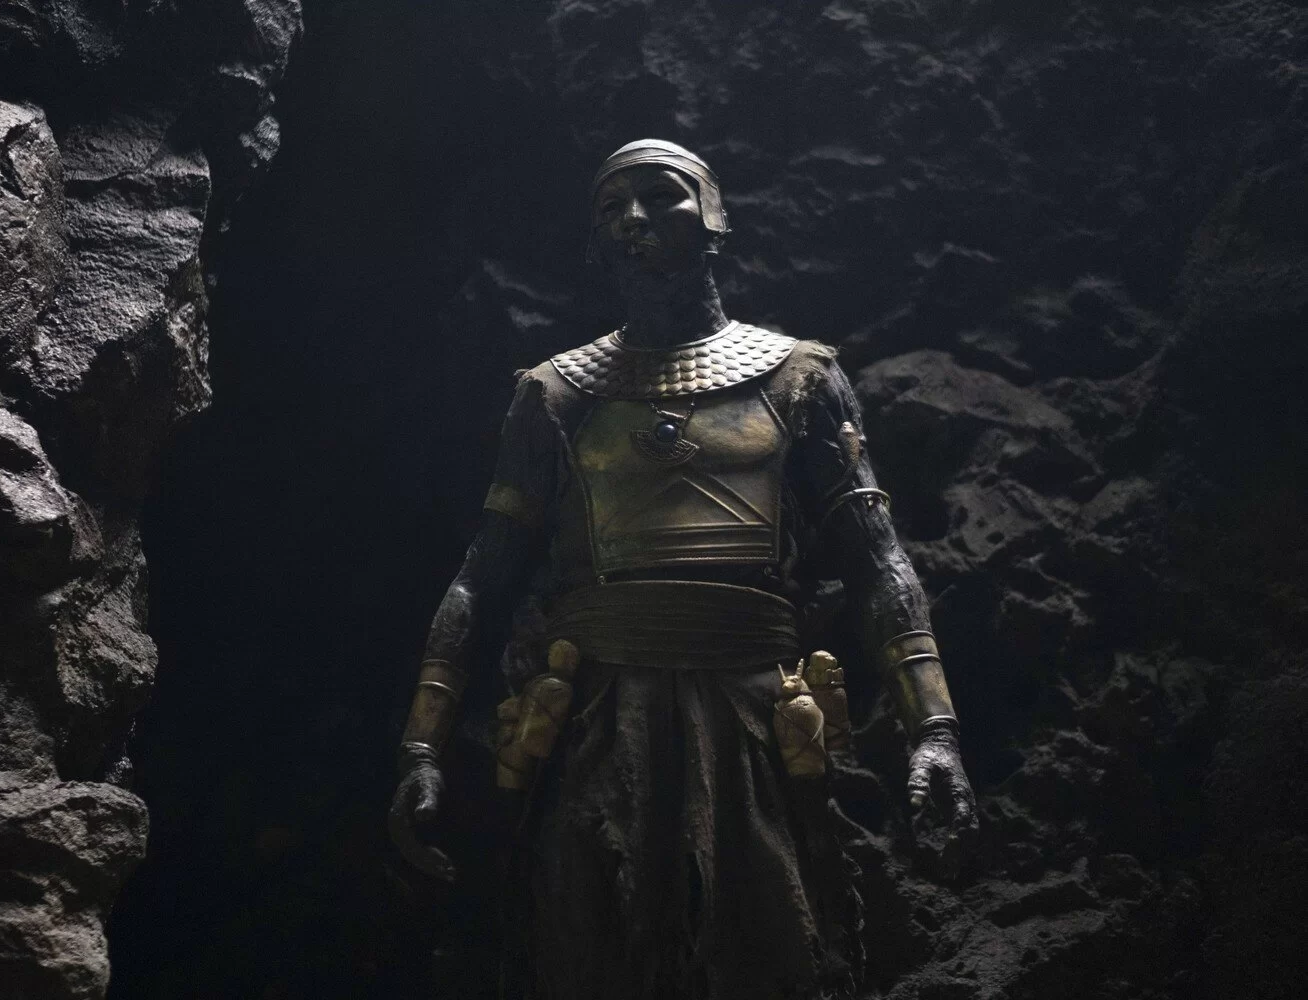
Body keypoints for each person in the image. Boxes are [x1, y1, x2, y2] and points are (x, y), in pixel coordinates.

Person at [389, 139, 975, 999]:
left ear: (713, 216)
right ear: (594, 241)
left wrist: (936, 732)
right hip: (598, 717)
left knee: (774, 950)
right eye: (610, 207)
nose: (633, 218)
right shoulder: (554, 396)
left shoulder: (800, 379)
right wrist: (422, 747)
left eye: (661, 195)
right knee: (586, 949)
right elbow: (485, 574)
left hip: (757, 718)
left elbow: (877, 558)